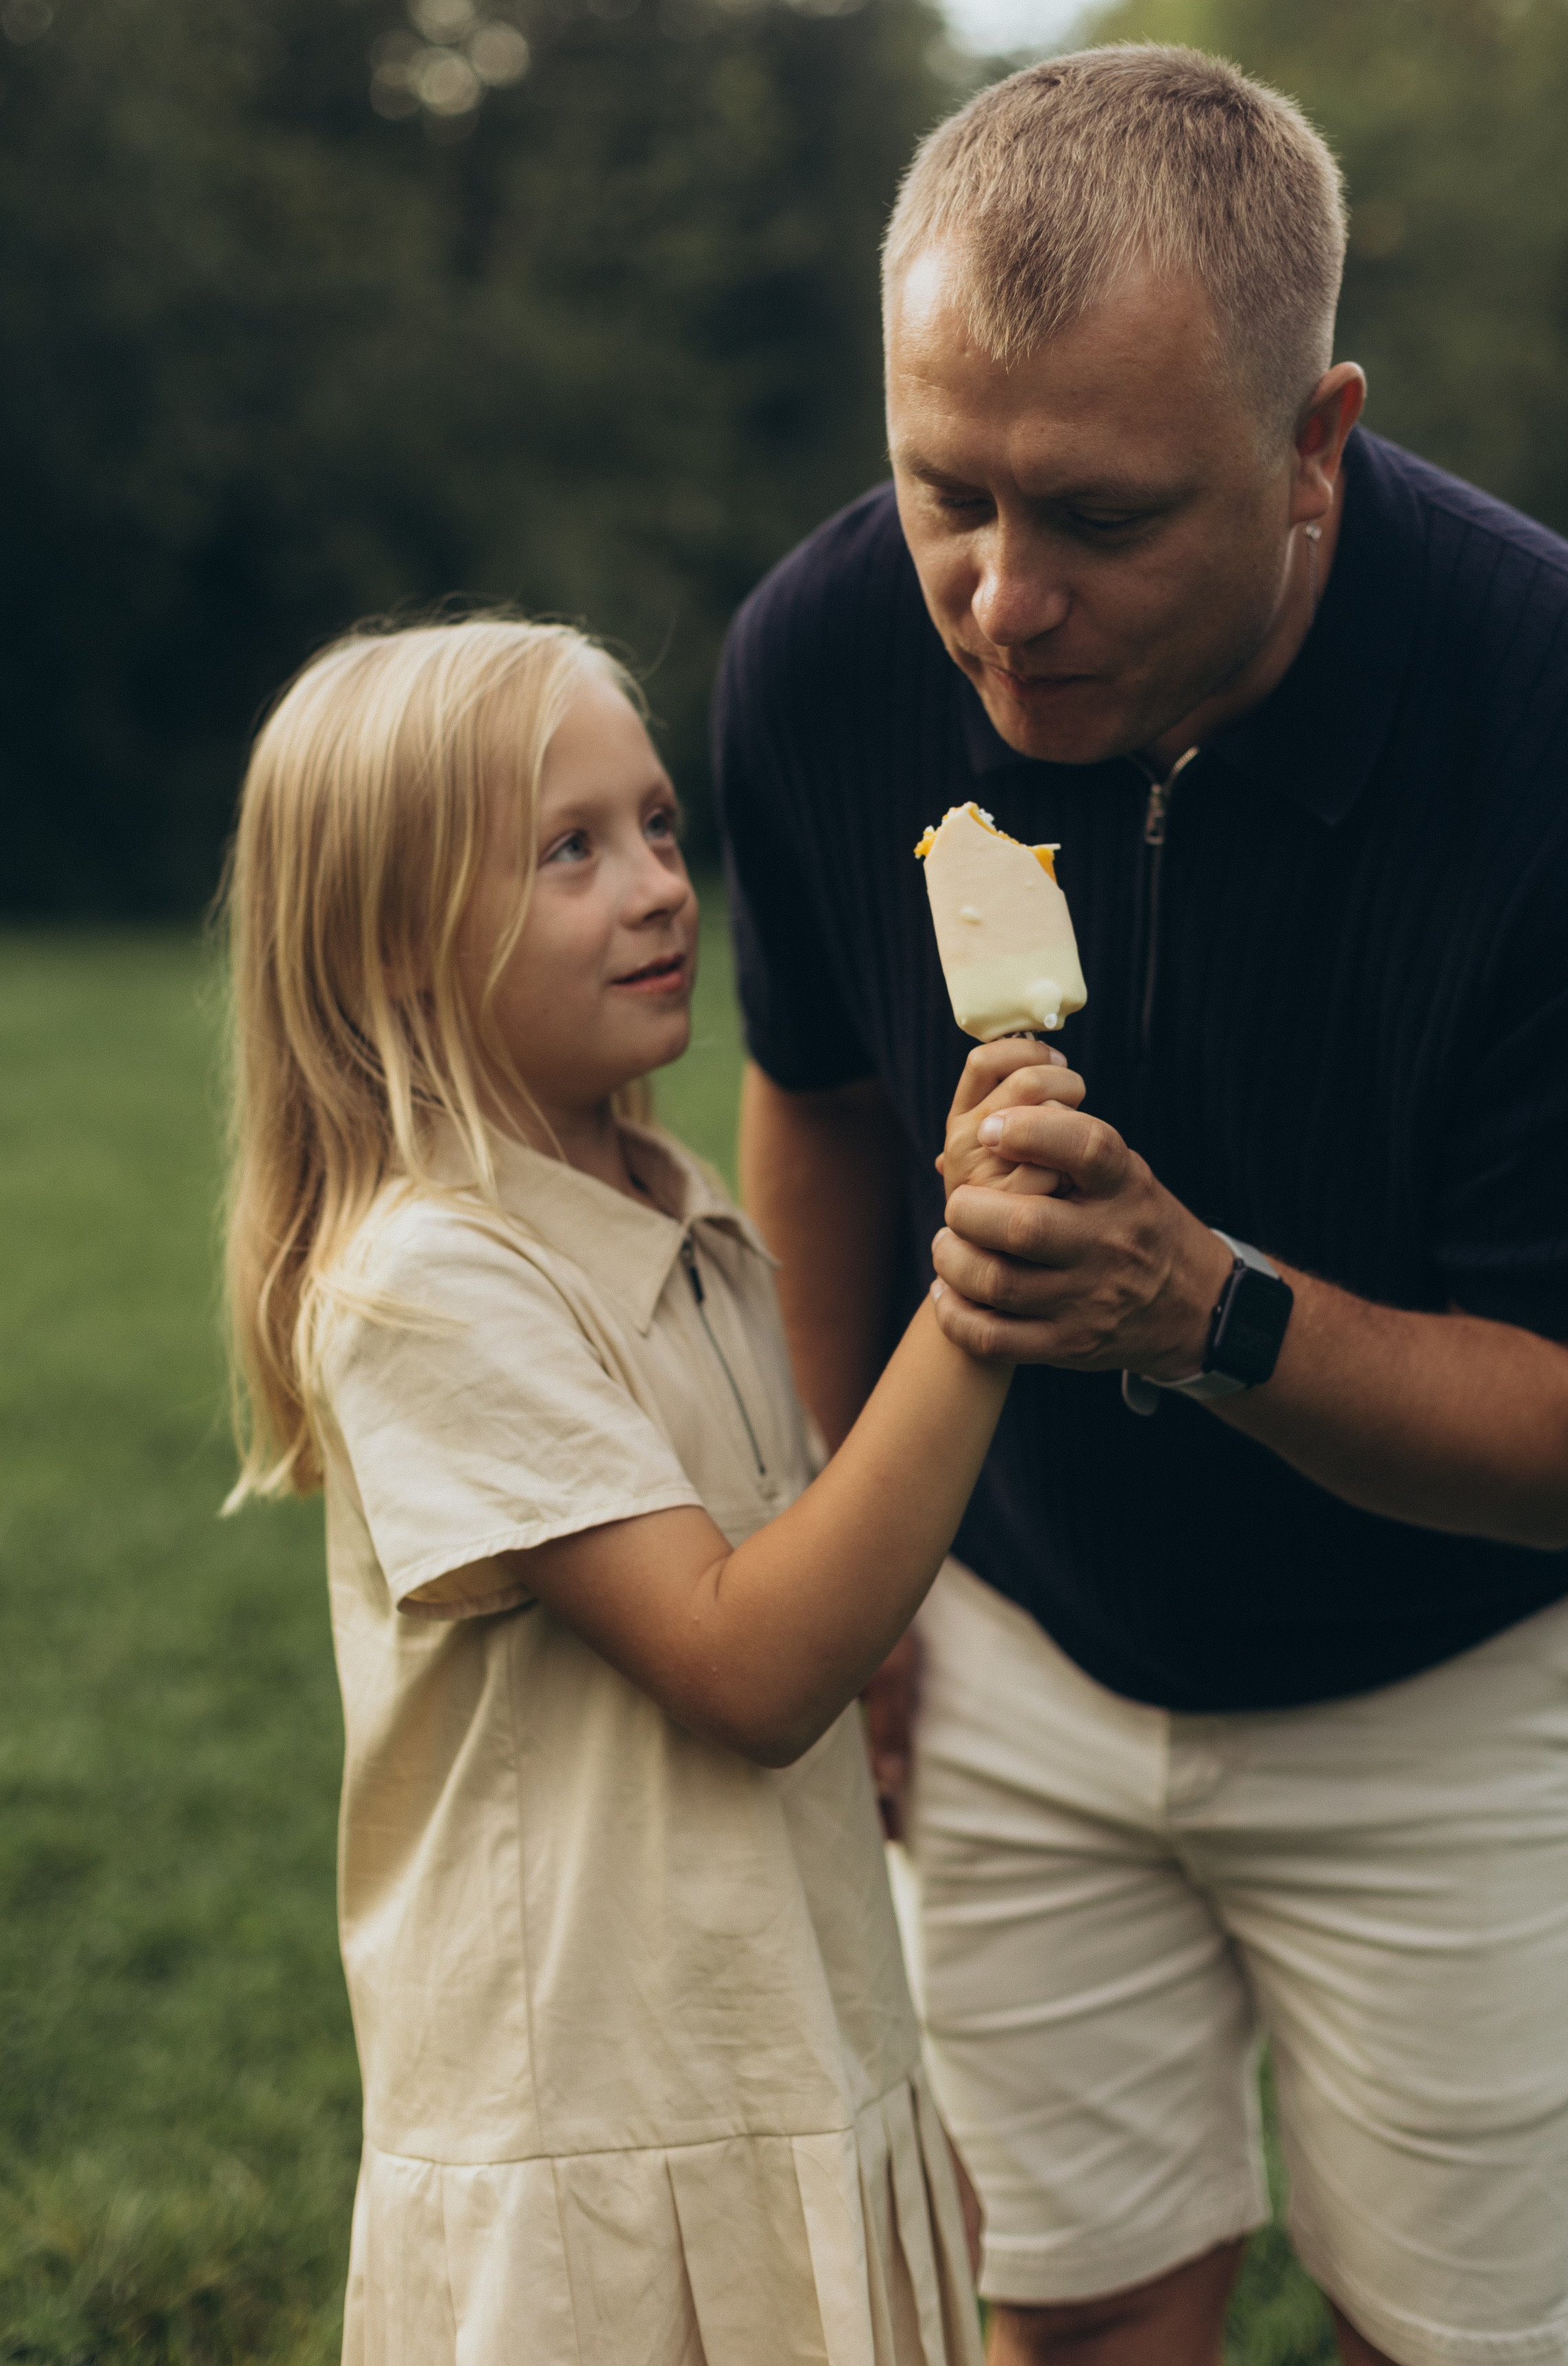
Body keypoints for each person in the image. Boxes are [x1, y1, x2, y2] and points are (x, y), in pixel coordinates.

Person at [714, 45, 1568, 2366]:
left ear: (1315, 448)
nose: (1001, 598)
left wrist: (1202, 1307)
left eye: (1103, 520)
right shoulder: (826, 653)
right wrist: (849, 1569)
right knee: (1065, 2319)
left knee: (1448, 2342)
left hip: (1454, 1674)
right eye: (942, 484)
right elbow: (820, 1107)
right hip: (1020, 1650)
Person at [218, 612, 1013, 2365]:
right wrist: (980, 1301)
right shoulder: (428, 1279)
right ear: (398, 953)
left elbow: (815, 1588)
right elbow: (746, 1668)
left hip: (782, 2054)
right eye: (568, 850)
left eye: (657, 825)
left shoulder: (689, 1209)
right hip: (601, 2148)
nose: (660, 887)